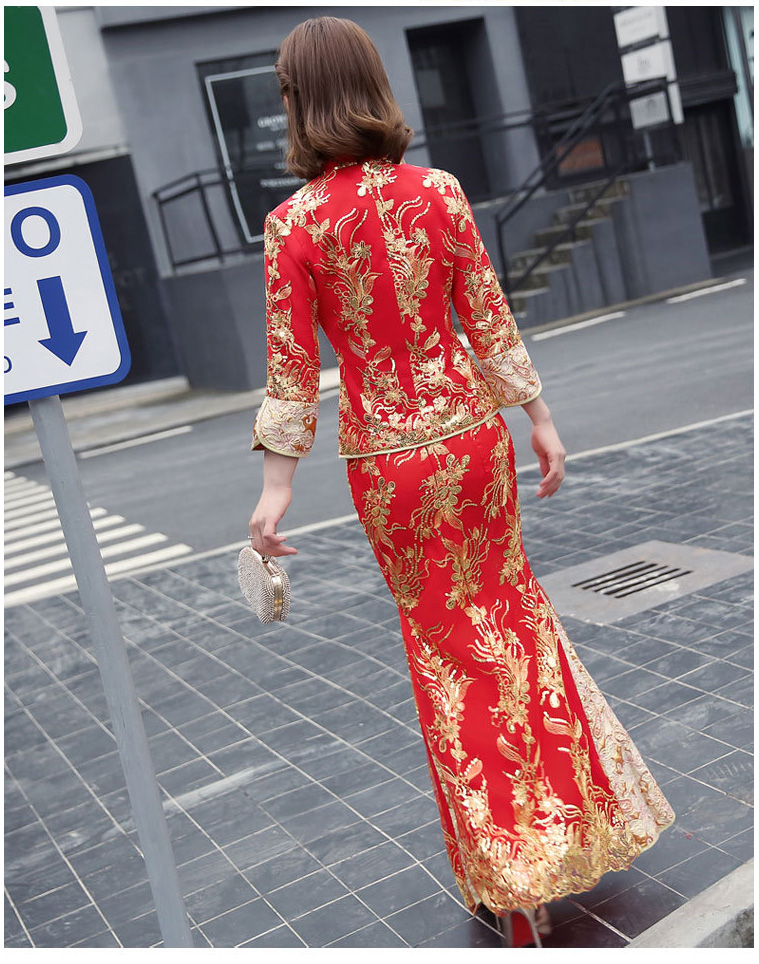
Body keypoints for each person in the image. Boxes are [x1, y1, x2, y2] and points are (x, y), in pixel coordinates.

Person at [248, 16, 675, 948]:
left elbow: (291, 373)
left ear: (298, 100)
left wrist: (276, 490)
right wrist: (539, 418)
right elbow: (487, 316)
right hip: (472, 441)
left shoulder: (292, 225)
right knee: (511, 619)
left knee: (445, 651)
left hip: (386, 466)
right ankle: (568, 829)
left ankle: (511, 879)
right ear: (372, 85)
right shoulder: (438, 191)